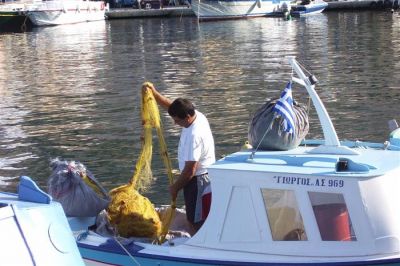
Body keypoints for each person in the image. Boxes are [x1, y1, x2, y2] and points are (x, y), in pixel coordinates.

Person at [142, 82, 215, 234]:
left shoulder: (195, 135)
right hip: (195, 179)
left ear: (187, 117)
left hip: (198, 181)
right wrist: (154, 94)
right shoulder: (197, 115)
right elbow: (171, 106)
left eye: (177, 120)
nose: (175, 123)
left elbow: (190, 170)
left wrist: (175, 187)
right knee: (193, 214)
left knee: (195, 219)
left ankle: (198, 247)